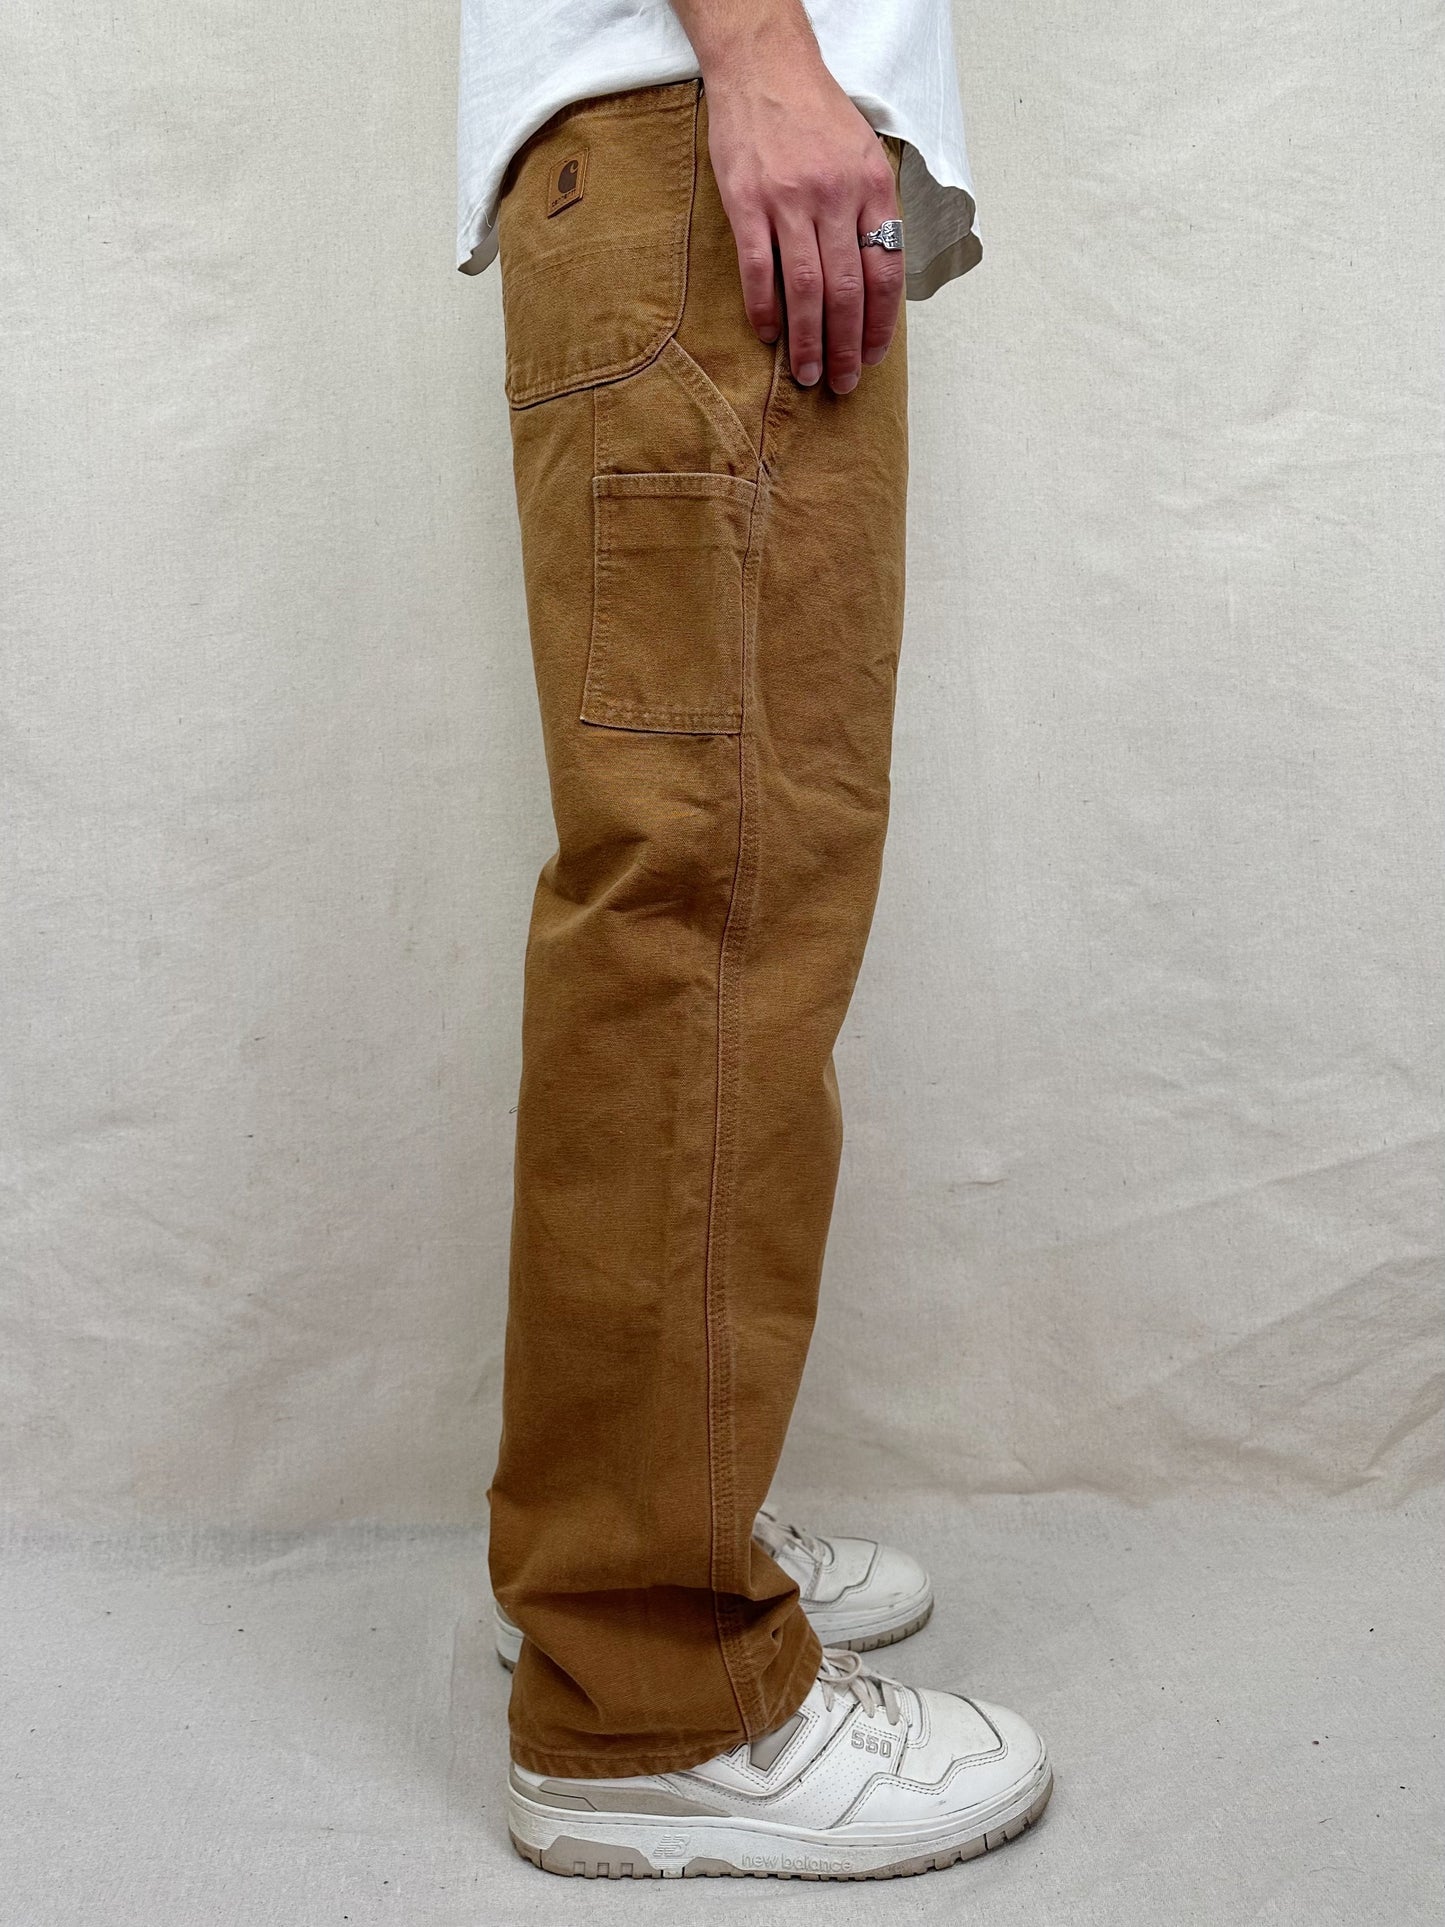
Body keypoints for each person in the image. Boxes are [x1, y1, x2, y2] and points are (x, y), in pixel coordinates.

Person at [456, 0, 1052, 1882]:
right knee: (707, 915)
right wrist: (763, 53)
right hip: (705, 163)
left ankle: (645, 1532)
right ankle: (653, 1689)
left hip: (688, 177)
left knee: (721, 902)